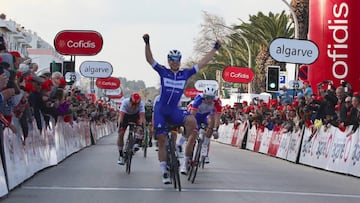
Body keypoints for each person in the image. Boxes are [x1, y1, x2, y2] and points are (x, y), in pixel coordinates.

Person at [143, 33, 220, 184]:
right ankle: (164, 170)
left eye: (177, 60)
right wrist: (147, 43)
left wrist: (214, 49)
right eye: (172, 60)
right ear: (169, 61)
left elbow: (202, 62)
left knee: (192, 121)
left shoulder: (185, 74)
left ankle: (180, 144)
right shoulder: (163, 71)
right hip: (161, 110)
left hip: (173, 110)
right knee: (161, 139)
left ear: (179, 61)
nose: (175, 63)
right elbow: (150, 60)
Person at [180, 86, 222, 168]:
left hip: (206, 116)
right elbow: (192, 116)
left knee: (212, 120)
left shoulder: (217, 101)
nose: (209, 100)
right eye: (207, 98)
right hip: (195, 114)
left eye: (211, 98)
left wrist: (215, 130)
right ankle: (184, 163)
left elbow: (218, 116)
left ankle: (204, 146)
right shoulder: (199, 99)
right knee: (192, 138)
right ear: (204, 96)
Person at [117, 92, 146, 165]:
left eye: (136, 105)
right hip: (126, 116)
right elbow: (121, 117)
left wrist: (142, 128)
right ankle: (121, 154)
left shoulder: (141, 104)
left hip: (136, 116)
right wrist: (120, 126)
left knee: (140, 128)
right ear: (130, 101)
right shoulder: (125, 103)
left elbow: (142, 117)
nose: (134, 106)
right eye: (133, 104)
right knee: (121, 134)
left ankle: (136, 143)